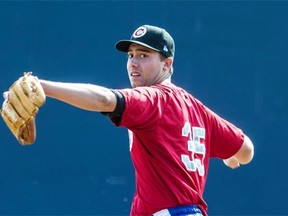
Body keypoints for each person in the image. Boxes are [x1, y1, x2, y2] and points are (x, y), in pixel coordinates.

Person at [35, 25, 253, 215]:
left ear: (167, 65)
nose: (133, 63)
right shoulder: (198, 110)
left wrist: (41, 86)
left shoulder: (153, 99)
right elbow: (246, 150)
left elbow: (103, 99)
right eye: (130, 55)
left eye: (143, 55)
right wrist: (232, 157)